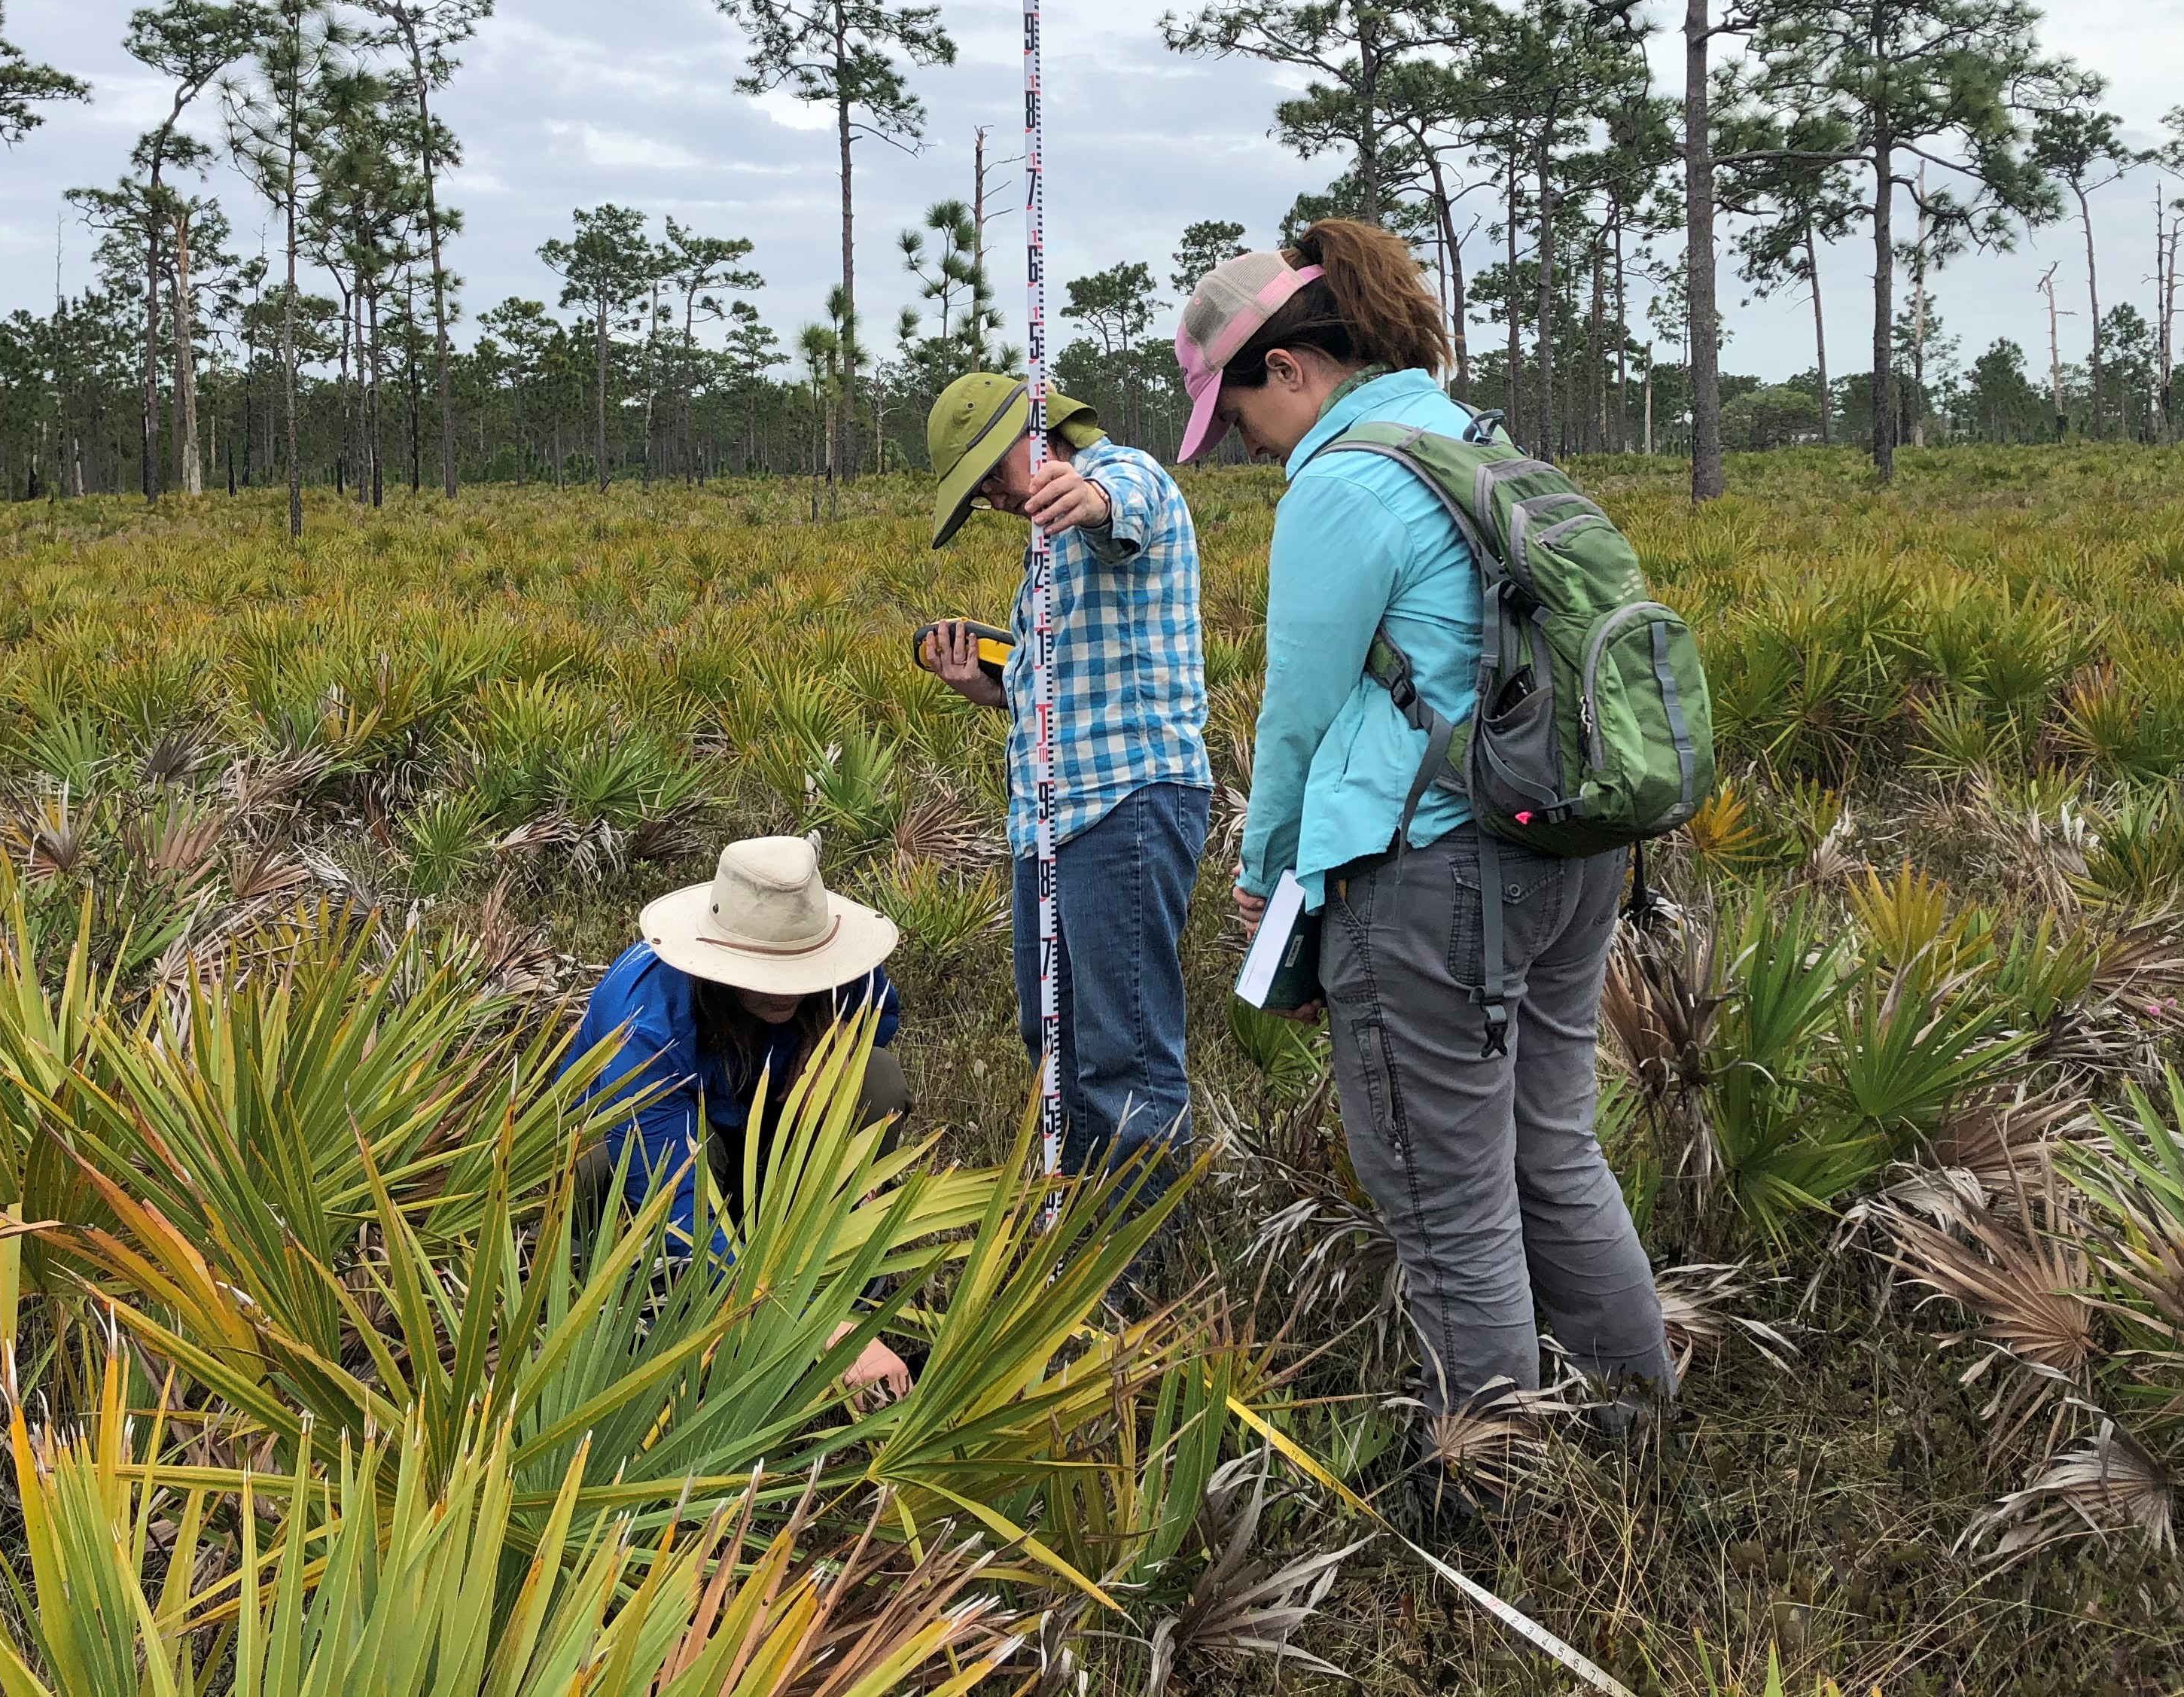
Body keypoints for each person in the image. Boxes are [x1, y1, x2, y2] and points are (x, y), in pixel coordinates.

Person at [1174, 220, 1670, 1458]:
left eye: (1235, 413)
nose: (1239, 444)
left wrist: (1260, 893)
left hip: (1431, 877)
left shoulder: (1345, 481)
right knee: (1550, 1147)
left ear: (1287, 366)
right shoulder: (1479, 439)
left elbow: (1292, 722)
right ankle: (1632, 1433)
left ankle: (1492, 1488)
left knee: (1450, 1205)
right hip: (1566, 849)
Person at [918, 370, 1209, 1195]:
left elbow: (1127, 510)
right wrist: (988, 687)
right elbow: (1055, 689)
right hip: (1049, 818)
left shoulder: (1124, 474)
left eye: (991, 480)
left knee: (1124, 1052)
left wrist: (1086, 498)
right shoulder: (1037, 559)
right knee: (1054, 1040)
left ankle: (1141, 1272)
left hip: (1126, 802)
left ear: (1033, 435)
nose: (994, 502)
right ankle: (1077, 1233)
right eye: (976, 497)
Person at [558, 833, 914, 1399]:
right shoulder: (646, 1021)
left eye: (800, 971)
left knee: (876, 1077)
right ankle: (633, 1300)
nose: (785, 994)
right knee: (600, 1167)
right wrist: (821, 1328)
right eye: (767, 975)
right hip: (657, 1160)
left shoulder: (843, 972)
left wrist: (836, 1046)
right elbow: (673, 1202)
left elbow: (881, 1010)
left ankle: (840, 1257)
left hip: (755, 1124)